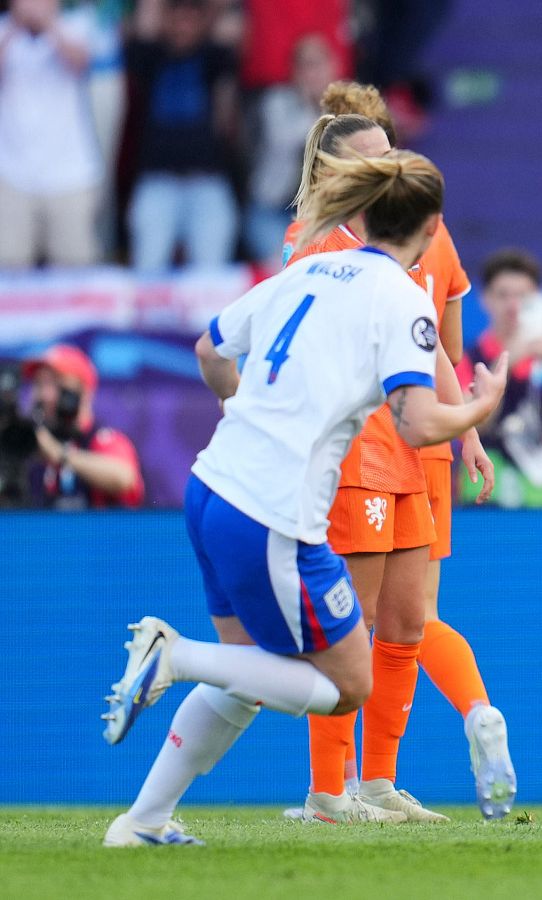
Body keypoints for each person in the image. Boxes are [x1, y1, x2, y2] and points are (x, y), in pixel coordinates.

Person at [100, 149, 508, 846]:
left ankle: (142, 823)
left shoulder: (307, 267)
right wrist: (478, 409)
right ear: (432, 224)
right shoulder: (403, 297)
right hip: (274, 514)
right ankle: (176, 655)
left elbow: (208, 348)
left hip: (212, 487)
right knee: (348, 682)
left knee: (248, 678)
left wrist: (251, 409)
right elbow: (415, 422)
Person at [287, 84, 512, 823]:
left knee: (407, 623)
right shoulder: (318, 250)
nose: (395, 171)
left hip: (420, 446)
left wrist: (468, 428)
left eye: (395, 157)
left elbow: (437, 344)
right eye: (374, 162)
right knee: (353, 622)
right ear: (336, 176)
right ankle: (329, 789)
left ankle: (378, 781)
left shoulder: (419, 237)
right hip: (360, 452)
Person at [458, 249, 542, 508]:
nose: (513, 306)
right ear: (485, 299)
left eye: (523, 296)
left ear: (539, 299)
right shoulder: (466, 360)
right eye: (503, 295)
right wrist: (507, 363)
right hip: (488, 496)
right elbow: (470, 424)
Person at [123, 0, 241, 272]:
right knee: (148, 269)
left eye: (191, 19)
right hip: (157, 180)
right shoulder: (149, 57)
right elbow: (147, 15)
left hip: (207, 180)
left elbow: (227, 17)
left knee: (212, 275)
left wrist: (212, 13)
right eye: (177, 19)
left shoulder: (214, 57)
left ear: (203, 23)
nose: (183, 27)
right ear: (165, 20)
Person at [0, 0, 102, 269]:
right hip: (12, 175)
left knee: (77, 273)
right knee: (8, 275)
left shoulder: (77, 25)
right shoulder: (4, 32)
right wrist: (15, 25)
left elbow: (79, 63)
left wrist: (48, 25)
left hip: (70, 174)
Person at [246, 35, 336, 268]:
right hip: (271, 211)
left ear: (332, 67)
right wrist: (310, 103)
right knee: (287, 267)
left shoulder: (345, 107)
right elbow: (283, 140)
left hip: (323, 216)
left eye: (318, 64)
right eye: (306, 65)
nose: (312, 73)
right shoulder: (275, 101)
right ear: (294, 71)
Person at [22, 343, 143, 509]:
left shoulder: (104, 439)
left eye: (53, 383)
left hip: (100, 534)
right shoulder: (31, 444)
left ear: (84, 392)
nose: (43, 395)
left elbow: (124, 478)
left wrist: (58, 453)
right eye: (38, 384)